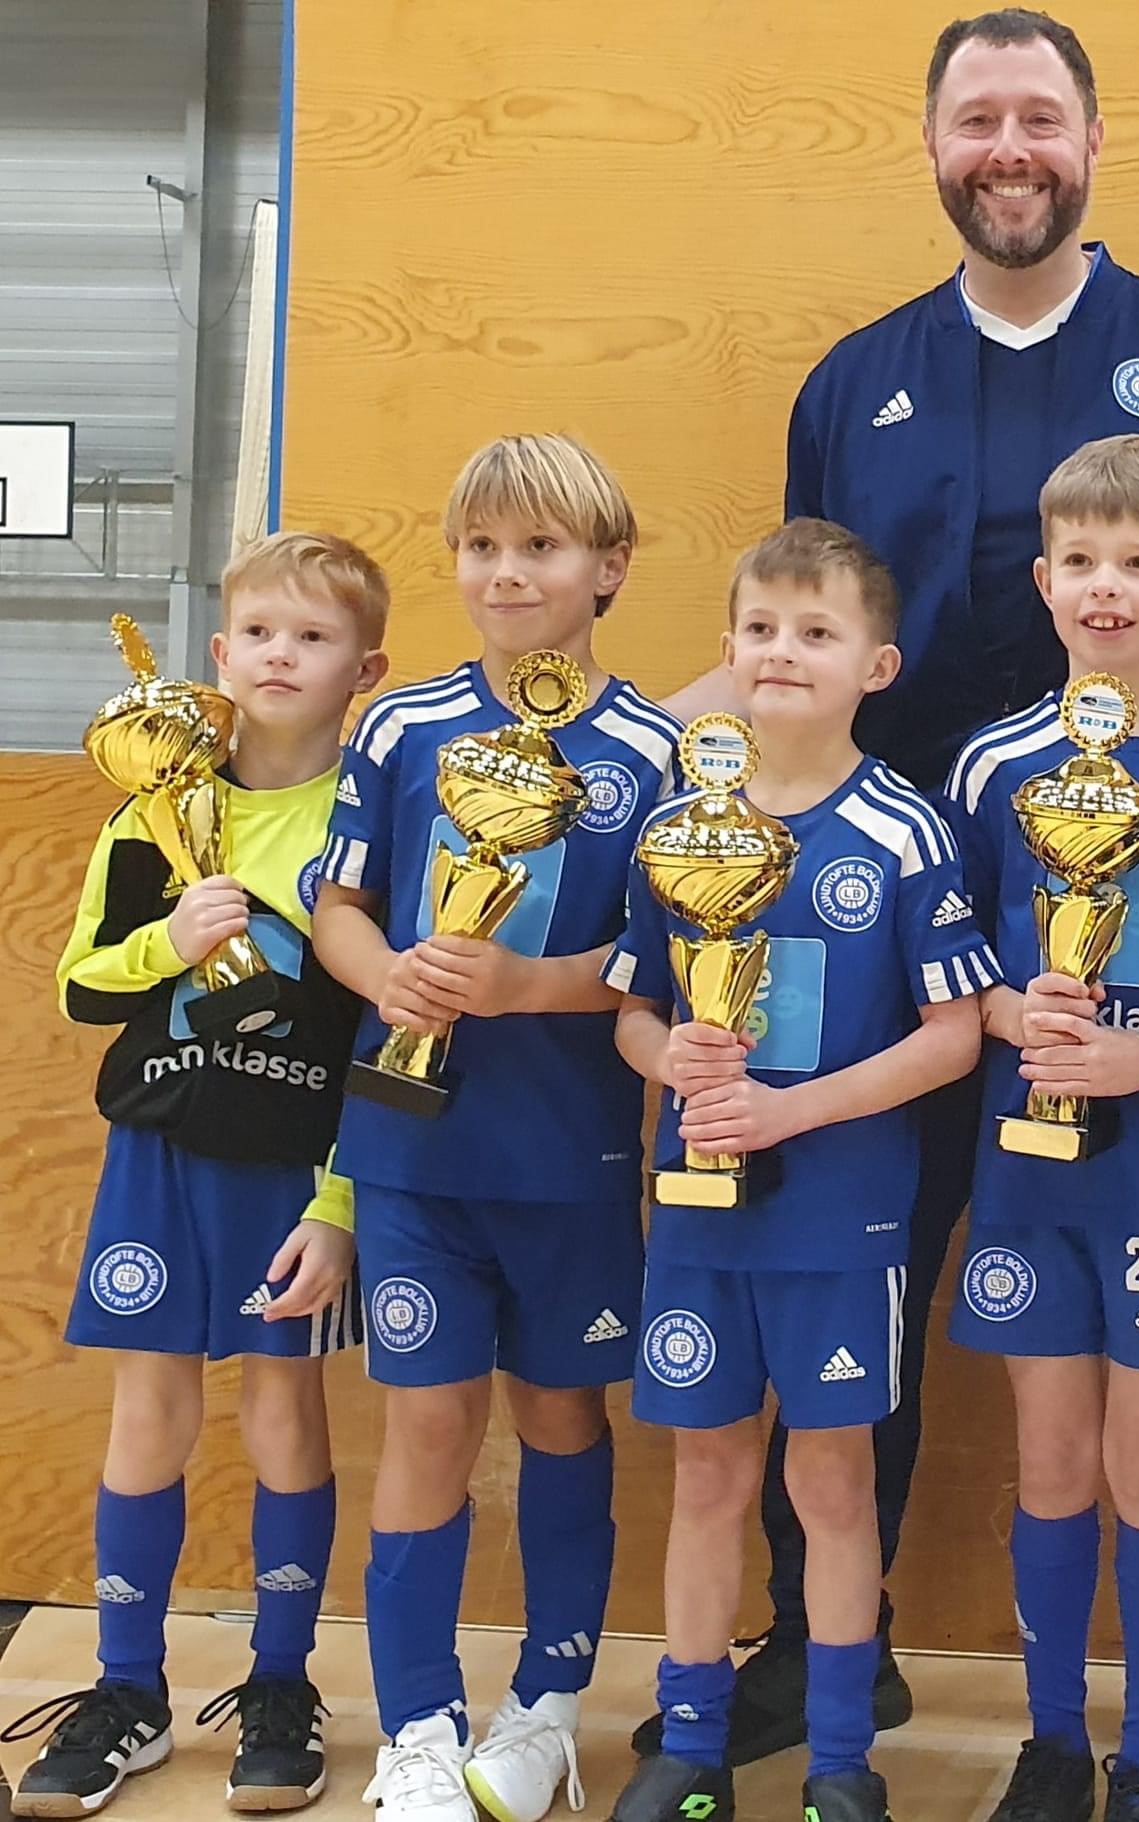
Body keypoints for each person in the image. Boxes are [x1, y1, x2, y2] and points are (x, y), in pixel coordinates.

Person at [656, 14, 1139, 1801]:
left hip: (1137, 973)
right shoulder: (854, 378)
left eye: (1038, 116)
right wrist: (627, 752)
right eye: (977, 119)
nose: (1008, 147)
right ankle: (821, 1640)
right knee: (846, 1261)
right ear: (935, 146)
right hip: (887, 938)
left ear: (1091, 140)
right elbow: (794, 630)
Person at [311, 435, 683, 1822]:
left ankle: (546, 1708)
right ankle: (417, 1723)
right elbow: (339, 908)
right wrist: (385, 977)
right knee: (425, 1425)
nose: (507, 573)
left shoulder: (655, 753)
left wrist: (530, 986)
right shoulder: (401, 728)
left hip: (569, 1153)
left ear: (609, 567)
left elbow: (662, 960)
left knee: (561, 1417)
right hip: (413, 1150)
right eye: (481, 547)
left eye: (540, 547)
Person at [604, 519, 997, 1822]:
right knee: (708, 1475)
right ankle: (692, 1748)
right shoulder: (675, 826)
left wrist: (792, 1111)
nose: (783, 651)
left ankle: (838, 1758)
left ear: (876, 665)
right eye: (762, 628)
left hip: (842, 1218)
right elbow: (633, 1011)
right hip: (698, 1212)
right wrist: (672, 1055)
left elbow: (952, 1036)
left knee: (830, 1482)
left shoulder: (906, 831)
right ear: (726, 649)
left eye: (816, 631)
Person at [7, 532, 390, 1816]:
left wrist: (341, 1202)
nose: (282, 656)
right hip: (159, 1155)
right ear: (221, 654)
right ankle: (128, 1687)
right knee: (149, 1415)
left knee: (284, 1414)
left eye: (314, 637)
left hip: (296, 1170)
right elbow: (80, 984)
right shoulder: (149, 809)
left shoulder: (370, 824)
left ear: (364, 669)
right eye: (261, 634)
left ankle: (280, 1684)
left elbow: (387, 1034)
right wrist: (168, 942)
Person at [938, 437, 1139, 1822]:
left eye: (1138, 561)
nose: (1106, 587)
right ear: (1043, 580)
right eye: (1080, 559)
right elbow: (944, 960)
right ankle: (1053, 1740)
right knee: (1054, 1458)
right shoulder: (992, 764)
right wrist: (1007, 1008)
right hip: (1029, 1168)